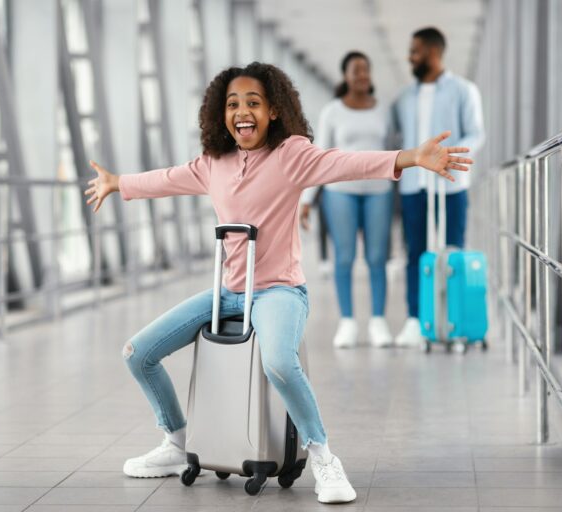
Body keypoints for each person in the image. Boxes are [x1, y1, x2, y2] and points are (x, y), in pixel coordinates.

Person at [84, 62, 471, 504]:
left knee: (280, 363)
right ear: (219, 114)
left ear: (273, 111)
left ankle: (323, 455)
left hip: (278, 290)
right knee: (138, 353)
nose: (242, 111)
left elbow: (345, 163)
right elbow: (167, 178)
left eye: (253, 102)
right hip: (228, 292)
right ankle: (176, 442)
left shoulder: (291, 155)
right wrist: (119, 183)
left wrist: (410, 158)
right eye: (233, 104)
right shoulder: (214, 163)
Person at [391, 27, 485, 347]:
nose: (410, 57)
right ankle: (416, 320)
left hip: (451, 185)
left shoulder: (463, 90)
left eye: (415, 51)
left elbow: (476, 134)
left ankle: (453, 318)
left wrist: (450, 156)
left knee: (452, 250)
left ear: (433, 52)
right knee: (415, 253)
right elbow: (396, 139)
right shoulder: (403, 98)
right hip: (413, 186)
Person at [299, 51, 393, 349]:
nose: (362, 75)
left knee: (377, 257)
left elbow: (394, 151)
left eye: (366, 70)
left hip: (379, 192)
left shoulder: (384, 111)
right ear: (345, 76)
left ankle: (378, 322)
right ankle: (348, 323)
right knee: (344, 257)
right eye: (356, 70)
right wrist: (307, 198)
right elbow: (320, 156)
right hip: (341, 193)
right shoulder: (332, 112)